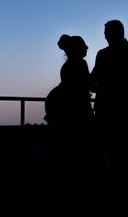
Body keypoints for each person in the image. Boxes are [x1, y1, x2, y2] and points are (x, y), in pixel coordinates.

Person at [90, 19, 128, 176]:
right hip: (127, 107)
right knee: (125, 147)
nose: (105, 37)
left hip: (106, 107)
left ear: (113, 34)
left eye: (106, 34)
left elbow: (93, 79)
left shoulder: (102, 54)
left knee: (110, 149)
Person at [44, 34, 101, 178]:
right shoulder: (80, 64)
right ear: (77, 49)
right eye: (83, 45)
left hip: (68, 113)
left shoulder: (68, 65)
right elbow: (87, 86)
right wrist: (96, 74)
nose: (87, 47)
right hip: (79, 113)